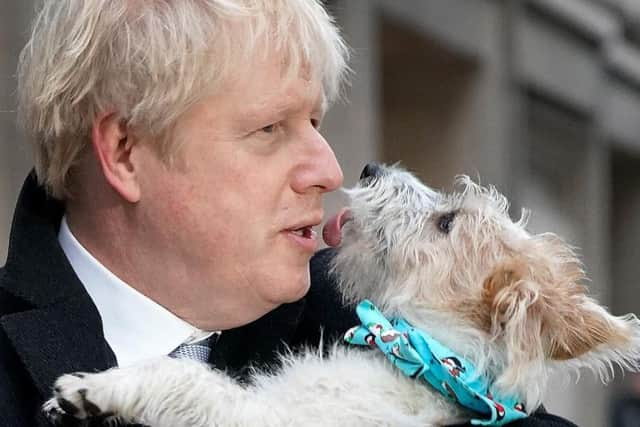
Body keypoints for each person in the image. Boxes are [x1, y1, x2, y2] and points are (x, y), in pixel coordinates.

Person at [0, 1, 577, 426]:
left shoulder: (377, 317)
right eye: (269, 128)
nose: (329, 171)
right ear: (125, 153)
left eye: (316, 123)